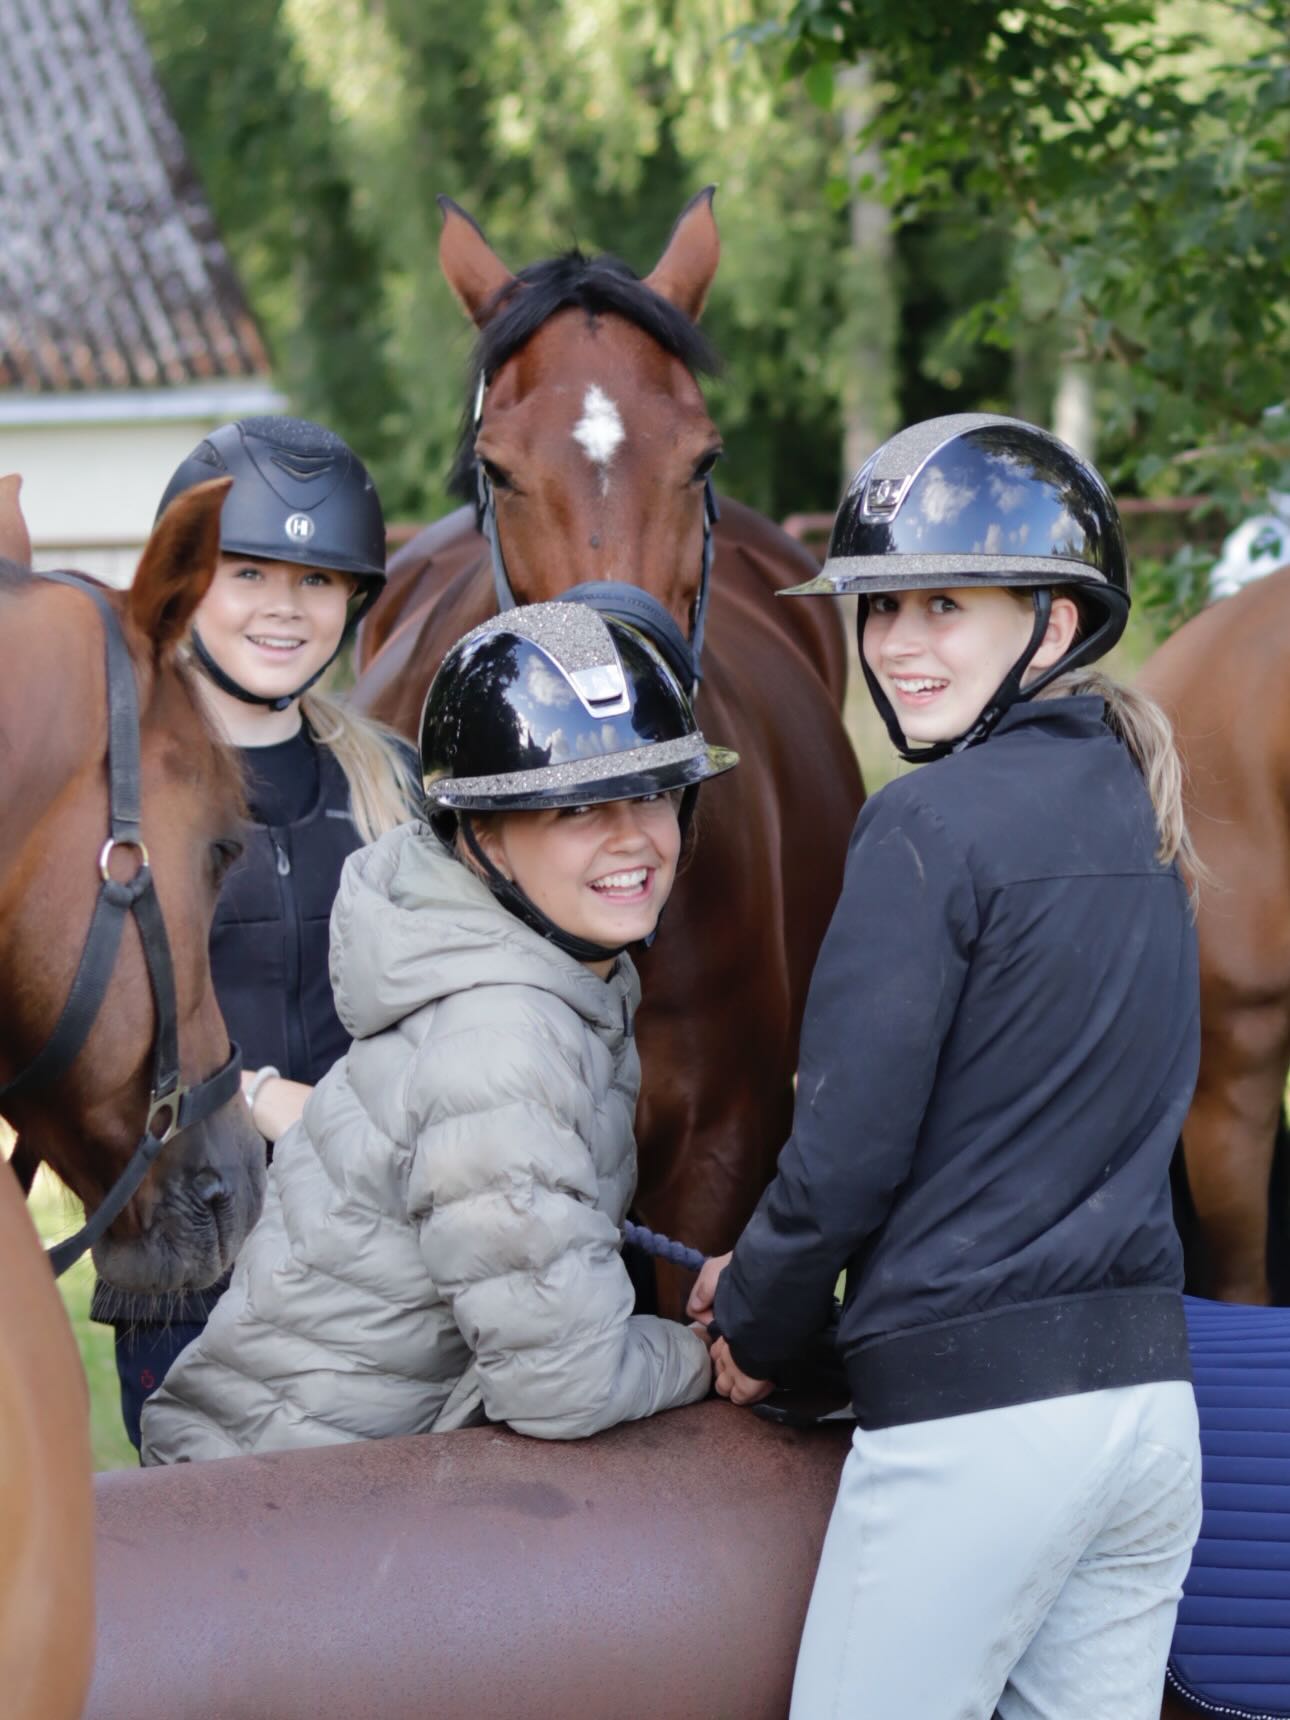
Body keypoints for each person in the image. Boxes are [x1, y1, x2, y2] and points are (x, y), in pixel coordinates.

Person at [688, 413, 1204, 1720]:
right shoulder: (1138, 807)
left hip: (981, 1431)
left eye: (942, 606)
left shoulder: (923, 824)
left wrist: (756, 1317)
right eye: (878, 610)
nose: (897, 647)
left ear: (1050, 621)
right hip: (1145, 1417)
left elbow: (848, 1147)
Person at [139, 600, 736, 1462]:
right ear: (481, 834)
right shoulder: (502, 1037)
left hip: (340, 1472)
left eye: (651, 795)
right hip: (280, 1507)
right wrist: (705, 1350)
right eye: (574, 809)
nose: (632, 839)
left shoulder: (539, 977)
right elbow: (564, 1383)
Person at [91, 416, 419, 1450]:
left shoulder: (397, 782)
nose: (285, 608)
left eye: (317, 581)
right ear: (192, 583)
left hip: (381, 1261)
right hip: (192, 1274)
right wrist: (261, 1096)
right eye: (249, 572)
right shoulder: (113, 792)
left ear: (354, 598)